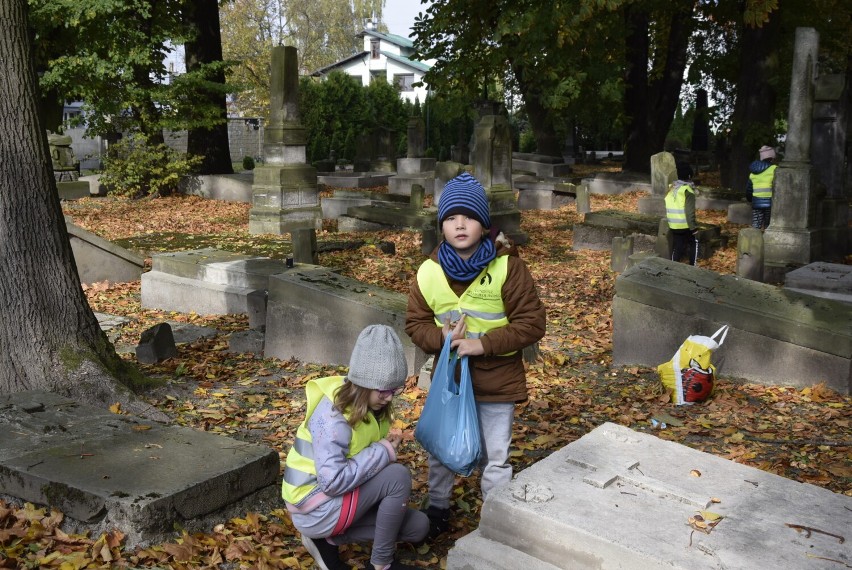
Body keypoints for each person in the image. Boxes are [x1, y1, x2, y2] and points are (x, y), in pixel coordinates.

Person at [405, 171, 546, 538]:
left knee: (495, 455)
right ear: (443, 227)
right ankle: (438, 509)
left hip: (497, 381)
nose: (460, 224)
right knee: (440, 449)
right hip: (450, 383)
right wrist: (440, 337)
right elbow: (415, 323)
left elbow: (532, 323)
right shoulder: (428, 272)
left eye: (468, 216)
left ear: (484, 225)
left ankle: (495, 519)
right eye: (451, 217)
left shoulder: (507, 267)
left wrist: (482, 344)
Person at [281, 324, 428, 570]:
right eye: (384, 390)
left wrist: (382, 452)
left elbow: (361, 458)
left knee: (418, 526)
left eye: (395, 389)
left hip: (335, 501)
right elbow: (332, 481)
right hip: (314, 507)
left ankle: (329, 540)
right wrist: (383, 452)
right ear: (363, 383)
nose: (390, 397)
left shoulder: (373, 406)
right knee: (398, 476)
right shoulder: (332, 417)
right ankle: (381, 564)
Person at [665, 162, 699, 266]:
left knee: (678, 246)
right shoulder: (687, 190)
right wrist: (694, 228)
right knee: (694, 242)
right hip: (685, 225)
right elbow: (689, 212)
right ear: (689, 176)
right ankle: (693, 266)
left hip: (673, 224)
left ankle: (672, 266)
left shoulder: (672, 188)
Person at [746, 145, 777, 230]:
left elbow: (749, 189)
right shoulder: (775, 169)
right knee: (768, 226)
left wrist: (750, 199)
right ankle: (767, 242)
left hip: (756, 202)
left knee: (756, 225)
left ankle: (754, 241)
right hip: (770, 203)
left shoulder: (753, 172)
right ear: (772, 158)